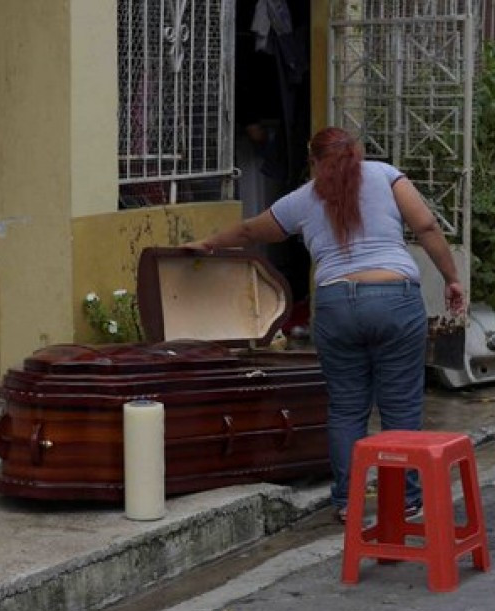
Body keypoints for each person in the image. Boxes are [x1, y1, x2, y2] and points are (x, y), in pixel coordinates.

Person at [183, 126, 465, 522]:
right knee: (400, 407)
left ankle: (350, 502)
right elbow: (427, 226)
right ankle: (404, 501)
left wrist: (208, 244)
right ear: (358, 153)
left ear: (314, 161)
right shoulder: (385, 175)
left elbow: (250, 230)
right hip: (394, 299)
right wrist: (452, 279)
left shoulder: (304, 198)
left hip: (336, 305)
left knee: (347, 408)